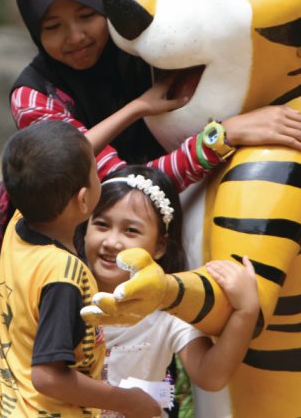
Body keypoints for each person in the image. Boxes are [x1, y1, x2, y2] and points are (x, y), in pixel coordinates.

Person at [0, 0, 301, 329]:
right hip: (74, 249)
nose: (75, 37)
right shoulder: (34, 95)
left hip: (150, 236)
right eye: (53, 27)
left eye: (86, 15)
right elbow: (119, 189)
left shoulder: (146, 42)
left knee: (159, 362)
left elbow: (236, 55)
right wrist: (217, 135)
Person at [0, 120, 163, 417]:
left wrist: (140, 108)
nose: (99, 174)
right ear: (83, 199)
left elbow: (51, 163)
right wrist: (127, 400)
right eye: (95, 171)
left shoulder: (18, 223)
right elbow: (48, 376)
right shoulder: (64, 277)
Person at [78, 166, 258, 417]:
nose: (112, 242)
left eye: (131, 230)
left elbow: (211, 376)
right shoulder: (66, 288)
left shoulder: (169, 309)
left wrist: (246, 311)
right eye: (101, 224)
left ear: (160, 246)